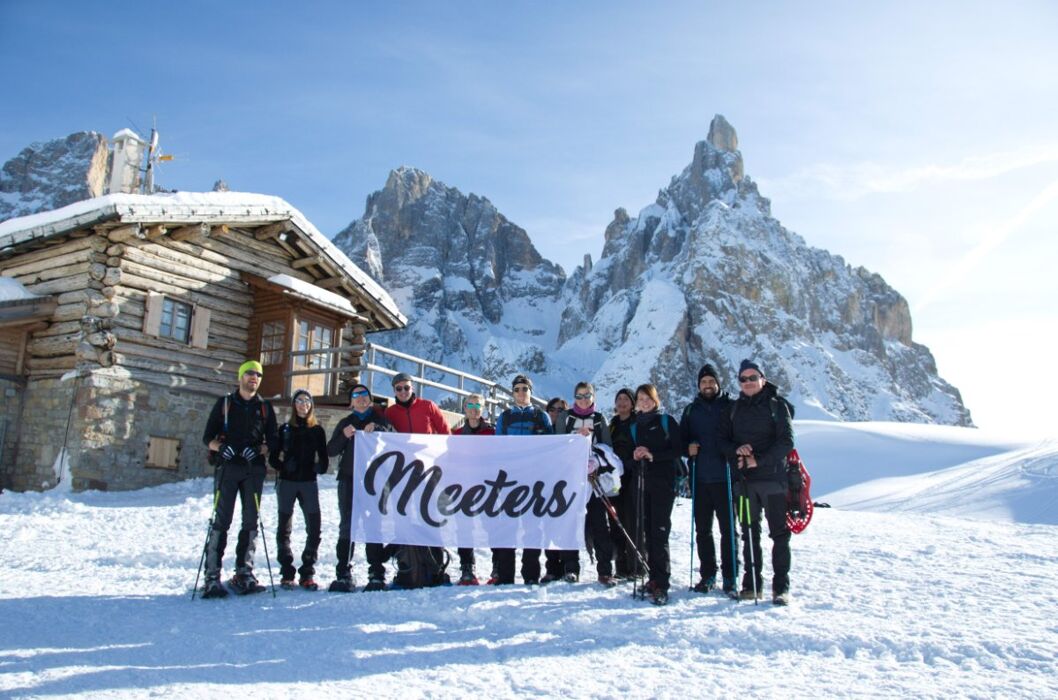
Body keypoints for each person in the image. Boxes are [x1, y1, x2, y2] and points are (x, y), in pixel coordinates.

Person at [200, 360, 279, 598]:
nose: (253, 377)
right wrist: (220, 448)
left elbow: (273, 440)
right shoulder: (225, 403)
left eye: (258, 375)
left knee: (250, 522)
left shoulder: (265, 408)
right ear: (240, 377)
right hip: (227, 470)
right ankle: (212, 575)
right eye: (249, 373)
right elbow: (207, 438)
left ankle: (244, 572)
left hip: (252, 470)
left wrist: (260, 450)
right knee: (222, 521)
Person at [718, 359, 795, 606]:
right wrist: (736, 450)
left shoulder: (777, 406)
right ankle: (751, 585)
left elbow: (787, 442)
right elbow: (722, 441)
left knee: (779, 534)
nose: (748, 382)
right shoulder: (733, 409)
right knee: (749, 533)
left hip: (773, 482)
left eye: (752, 378)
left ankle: (780, 588)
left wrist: (758, 461)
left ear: (763, 378)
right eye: (743, 379)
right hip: (744, 484)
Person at [383, 372, 452, 590]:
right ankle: (407, 570)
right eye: (399, 388)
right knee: (402, 520)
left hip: (429, 473)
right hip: (402, 475)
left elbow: (445, 433)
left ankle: (436, 570)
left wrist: (441, 459)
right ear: (394, 391)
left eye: (407, 387)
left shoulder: (428, 406)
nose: (403, 391)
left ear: (413, 388)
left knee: (431, 519)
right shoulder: (390, 413)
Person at [326, 383, 395, 592]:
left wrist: (379, 430)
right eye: (356, 396)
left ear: (370, 400)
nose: (361, 399)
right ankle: (344, 572)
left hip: (374, 482)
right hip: (349, 479)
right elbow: (330, 450)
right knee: (347, 525)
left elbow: (394, 439)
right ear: (351, 402)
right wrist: (344, 436)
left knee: (373, 525)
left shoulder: (380, 421)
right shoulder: (346, 423)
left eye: (364, 395)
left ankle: (376, 572)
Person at [680, 364, 738, 597]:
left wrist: (731, 450)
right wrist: (688, 448)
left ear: (718, 384)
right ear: (698, 385)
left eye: (711, 382)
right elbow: (681, 441)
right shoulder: (691, 411)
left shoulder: (731, 407)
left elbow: (742, 434)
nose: (707, 385)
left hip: (726, 478)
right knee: (703, 531)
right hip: (701, 479)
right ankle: (708, 575)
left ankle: (730, 576)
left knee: (729, 531)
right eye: (704, 382)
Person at [490, 374, 553, 585]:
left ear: (530, 392)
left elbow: (551, 447)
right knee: (507, 527)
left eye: (524, 389)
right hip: (509, 480)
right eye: (516, 389)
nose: (520, 393)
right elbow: (497, 448)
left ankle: (531, 575)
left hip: (533, 480)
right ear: (512, 392)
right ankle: (506, 576)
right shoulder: (505, 417)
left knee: (532, 527)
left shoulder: (541, 417)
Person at [553, 381, 616, 586]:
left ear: (593, 397)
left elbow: (607, 448)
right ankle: (571, 568)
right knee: (571, 524)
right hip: (571, 479)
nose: (583, 399)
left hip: (594, 480)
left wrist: (595, 460)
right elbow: (557, 445)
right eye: (579, 396)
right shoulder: (565, 417)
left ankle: (605, 570)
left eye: (587, 395)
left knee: (600, 525)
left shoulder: (599, 419)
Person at [630, 383, 683, 606]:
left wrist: (653, 455)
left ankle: (662, 583)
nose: (644, 402)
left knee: (659, 532)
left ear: (655, 400)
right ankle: (653, 578)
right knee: (648, 532)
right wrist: (637, 453)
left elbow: (678, 449)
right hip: (644, 484)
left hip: (664, 484)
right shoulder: (635, 426)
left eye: (648, 398)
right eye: (640, 398)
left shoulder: (666, 421)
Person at [269, 389, 328, 590]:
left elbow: (324, 460)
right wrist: (284, 466)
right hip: (287, 483)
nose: (304, 404)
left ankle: (307, 571)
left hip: (308, 483)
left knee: (314, 527)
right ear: (294, 405)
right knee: (284, 528)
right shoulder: (285, 429)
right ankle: (287, 571)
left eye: (307, 401)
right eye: (299, 401)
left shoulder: (317, 430)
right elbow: (273, 458)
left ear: (311, 405)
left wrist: (318, 467)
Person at [451, 392, 495, 585]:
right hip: (465, 488)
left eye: (478, 407)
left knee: (492, 528)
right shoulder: (457, 434)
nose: (474, 410)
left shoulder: (493, 432)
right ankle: (467, 568)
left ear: (483, 410)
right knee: (464, 529)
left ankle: (498, 567)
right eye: (470, 406)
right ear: (464, 408)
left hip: (489, 487)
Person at [608, 387, 639, 579]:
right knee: (615, 522)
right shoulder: (612, 424)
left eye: (625, 399)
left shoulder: (637, 423)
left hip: (633, 477)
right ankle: (620, 566)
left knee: (633, 522)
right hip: (614, 480)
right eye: (618, 399)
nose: (621, 403)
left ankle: (636, 565)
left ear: (632, 402)